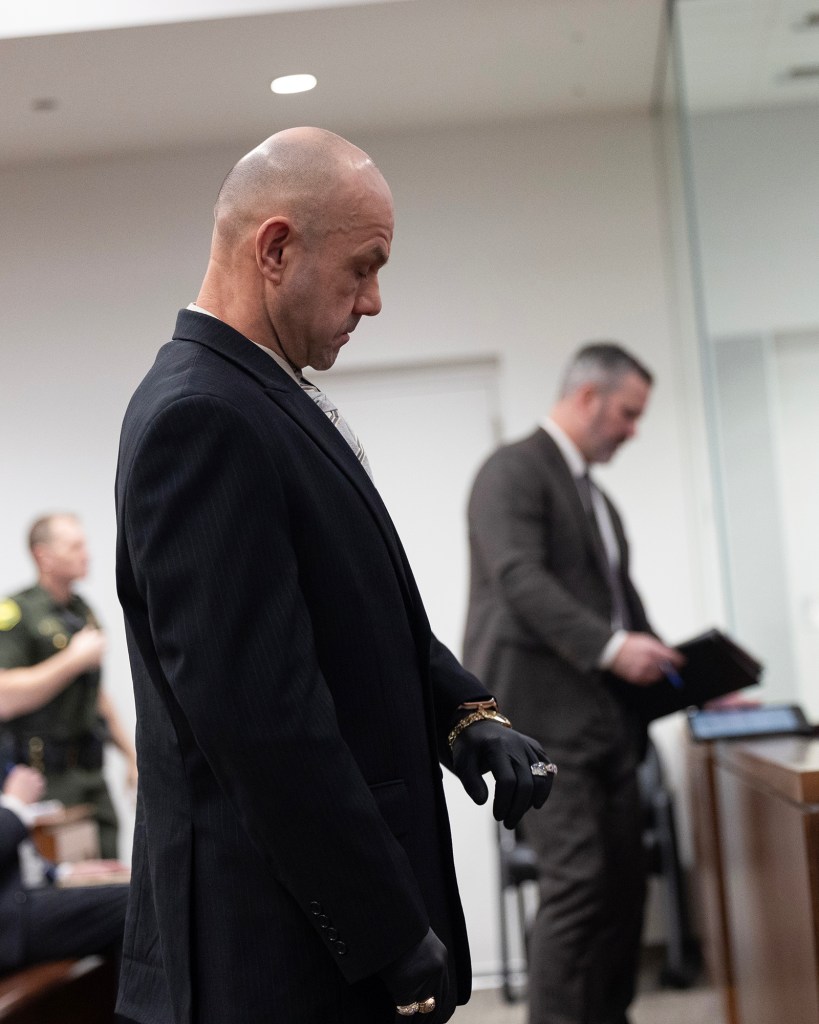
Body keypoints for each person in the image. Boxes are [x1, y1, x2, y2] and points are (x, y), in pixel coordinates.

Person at [114, 126, 554, 1024]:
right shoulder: (202, 416)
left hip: (318, 931)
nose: (376, 300)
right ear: (275, 249)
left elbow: (352, 611)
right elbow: (259, 719)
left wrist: (464, 714)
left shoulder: (260, 395)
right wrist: (380, 926)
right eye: (364, 267)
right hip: (283, 948)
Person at [463, 342, 684, 1024]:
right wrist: (614, 649)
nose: (631, 429)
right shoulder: (513, 471)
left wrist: (689, 676)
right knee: (578, 885)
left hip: (605, 728)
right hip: (543, 726)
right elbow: (520, 581)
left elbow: (618, 608)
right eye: (626, 412)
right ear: (587, 397)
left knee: (620, 888)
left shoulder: (598, 502)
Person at [0, 514, 137, 859]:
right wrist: (73, 660)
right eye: (74, 546)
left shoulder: (81, 611)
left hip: (91, 771)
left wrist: (132, 755)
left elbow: (94, 694)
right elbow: (5, 696)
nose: (86, 554)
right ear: (43, 555)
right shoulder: (17, 613)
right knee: (68, 887)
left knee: (110, 877)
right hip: (49, 780)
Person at [0, 763, 128, 977]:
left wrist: (62, 873)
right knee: (138, 903)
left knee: (131, 887)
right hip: (10, 920)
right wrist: (15, 803)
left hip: (17, 901)